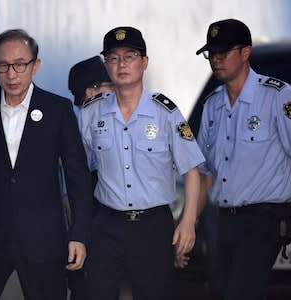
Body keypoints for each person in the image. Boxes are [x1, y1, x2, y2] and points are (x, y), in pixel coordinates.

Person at [0, 29, 93, 300]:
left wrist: (79, 235)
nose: (11, 74)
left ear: (35, 65)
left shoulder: (57, 109)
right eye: (2, 66)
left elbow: (78, 178)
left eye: (20, 64)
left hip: (43, 240)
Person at [195, 19, 291, 300]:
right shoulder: (212, 105)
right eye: (211, 54)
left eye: (222, 52)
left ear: (245, 52)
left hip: (262, 220)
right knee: (219, 293)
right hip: (221, 222)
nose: (215, 60)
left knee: (240, 293)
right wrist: (188, 221)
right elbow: (205, 173)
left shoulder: (277, 97)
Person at [79, 26, 205, 300]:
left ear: (144, 62)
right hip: (106, 225)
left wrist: (188, 221)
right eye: (113, 58)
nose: (121, 64)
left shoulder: (166, 113)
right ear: (107, 65)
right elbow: (76, 168)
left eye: (130, 56)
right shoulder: (92, 112)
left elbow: (192, 170)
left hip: (152, 227)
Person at [65, 56, 115, 300]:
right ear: (92, 92)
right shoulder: (92, 113)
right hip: (94, 210)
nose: (116, 91)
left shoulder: (79, 116)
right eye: (110, 86)